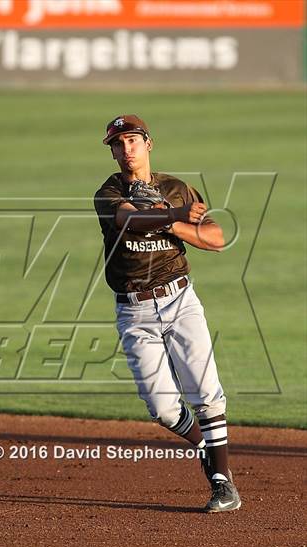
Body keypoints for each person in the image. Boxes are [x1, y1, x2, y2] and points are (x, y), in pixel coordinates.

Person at [93, 114, 241, 513]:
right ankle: (208, 447)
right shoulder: (107, 193)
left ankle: (221, 483)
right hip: (134, 310)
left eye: (133, 141)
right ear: (111, 150)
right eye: (118, 143)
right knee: (162, 408)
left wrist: (177, 226)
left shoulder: (176, 187)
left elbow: (215, 237)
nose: (126, 149)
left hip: (180, 300)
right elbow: (128, 218)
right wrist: (174, 216)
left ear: (148, 144)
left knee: (207, 392)